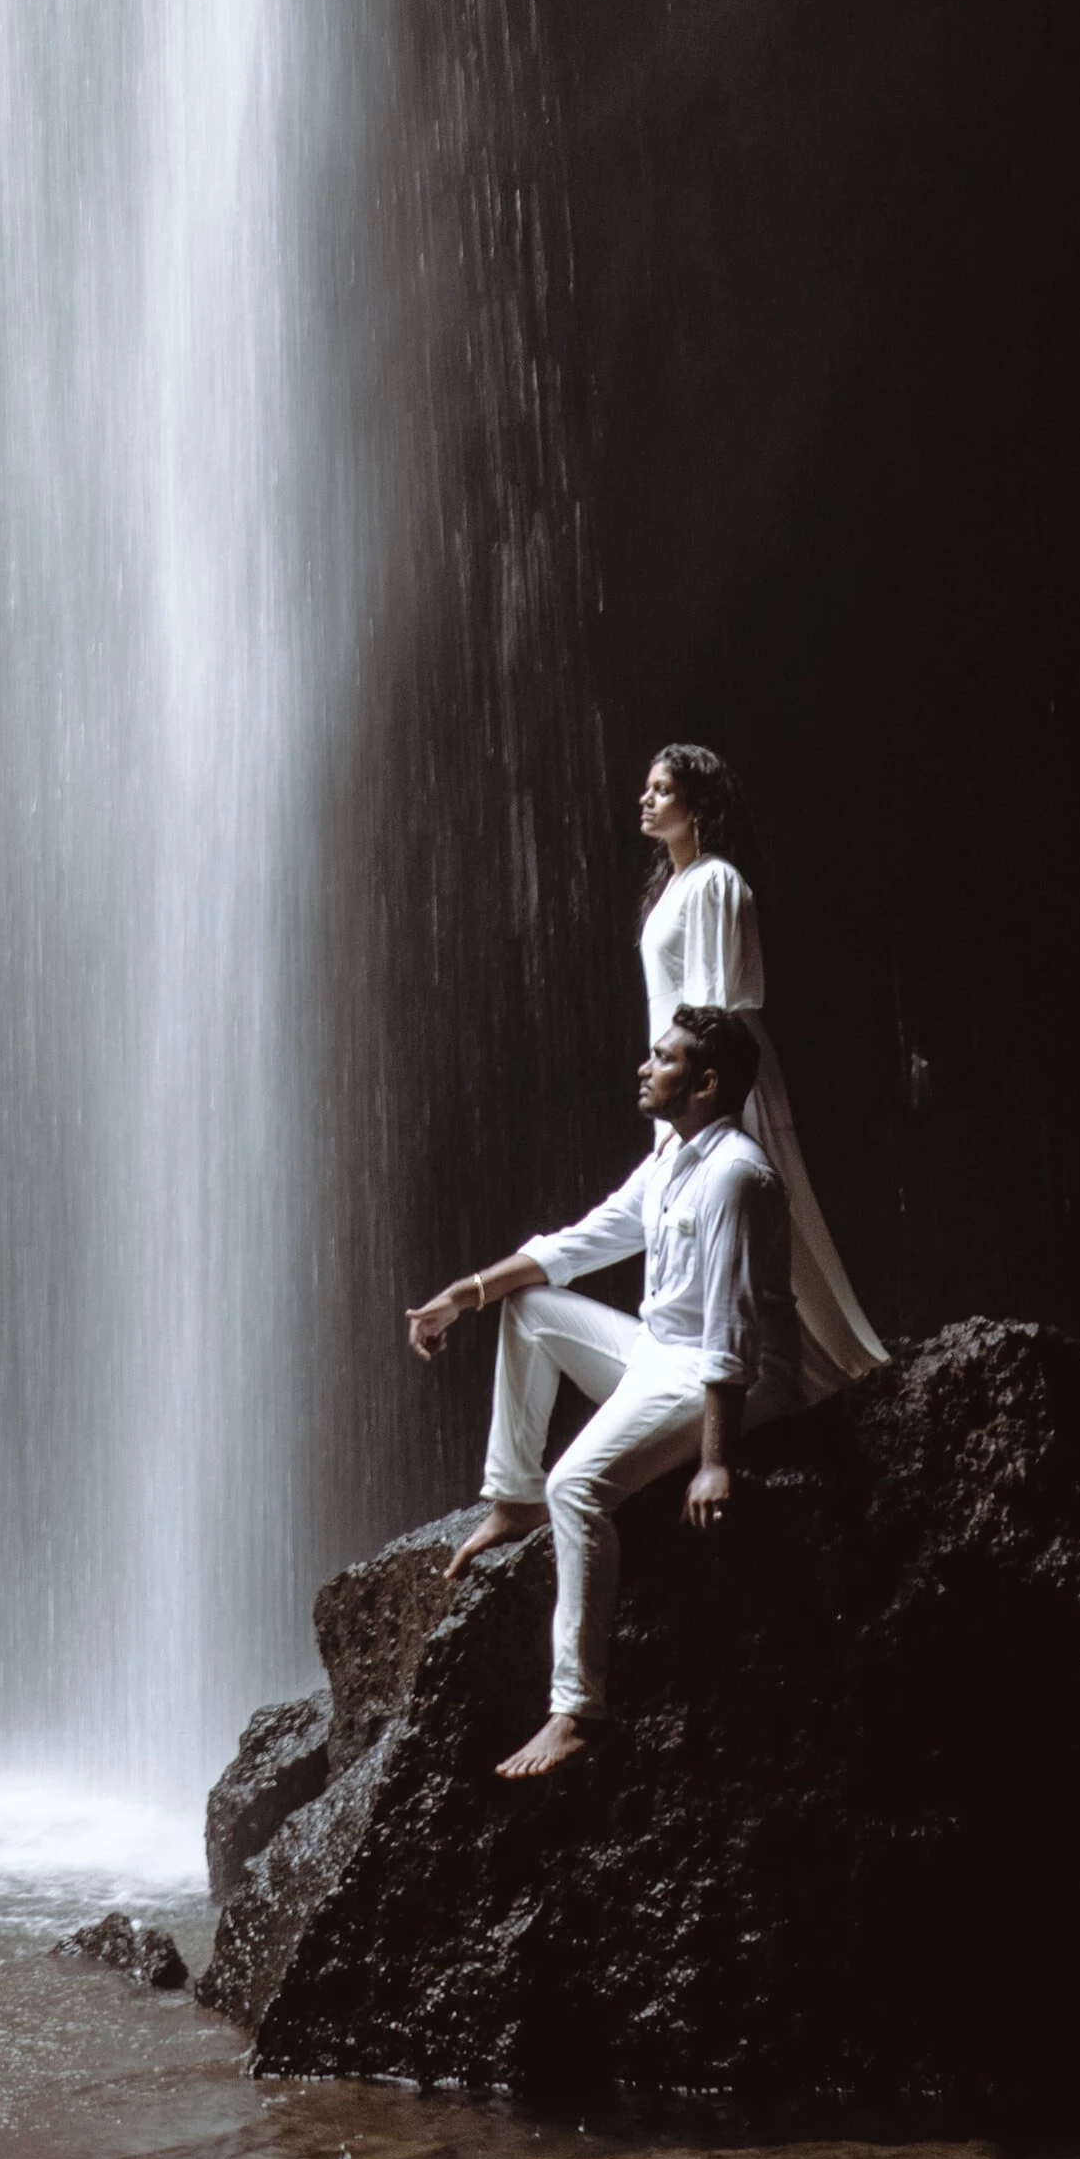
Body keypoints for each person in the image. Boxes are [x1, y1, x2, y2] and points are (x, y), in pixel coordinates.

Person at [405, 1004, 798, 1773]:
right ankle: (510, 1497)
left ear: (706, 1082)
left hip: (724, 1378)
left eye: (663, 1059)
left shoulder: (735, 1177)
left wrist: (715, 1460)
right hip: (657, 1351)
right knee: (528, 1310)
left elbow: (732, 1327)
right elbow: (579, 1243)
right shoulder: (671, 1159)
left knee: (578, 1487)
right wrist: (464, 1293)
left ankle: (576, 1712)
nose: (644, 1069)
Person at [634, 742, 884, 1396]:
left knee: (748, 1215)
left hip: (716, 1075)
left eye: (661, 790)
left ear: (697, 808)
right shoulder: (675, 887)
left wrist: (700, 1097)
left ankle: (791, 1371)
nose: (645, 799)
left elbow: (710, 1006)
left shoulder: (714, 881)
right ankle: (735, 1370)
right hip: (686, 1076)